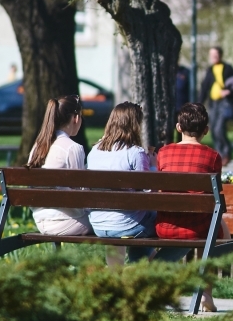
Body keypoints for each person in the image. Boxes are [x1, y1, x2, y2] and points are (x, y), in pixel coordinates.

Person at [155, 102, 233, 311]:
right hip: (198, 229)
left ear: (178, 128)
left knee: (212, 220)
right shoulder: (212, 157)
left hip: (165, 227)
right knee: (213, 224)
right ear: (206, 131)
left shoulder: (164, 153)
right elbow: (214, 198)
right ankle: (207, 294)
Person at [87, 102, 166, 264]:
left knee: (136, 221)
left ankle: (119, 276)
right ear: (134, 125)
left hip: (99, 224)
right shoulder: (135, 153)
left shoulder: (94, 151)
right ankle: (164, 266)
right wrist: (152, 165)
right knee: (168, 220)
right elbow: (149, 193)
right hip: (127, 225)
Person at [26, 95, 92, 236]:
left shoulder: (37, 147)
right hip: (69, 222)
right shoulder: (73, 148)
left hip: (41, 221)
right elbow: (82, 194)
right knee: (109, 222)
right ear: (76, 118)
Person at [199, 46, 233, 165]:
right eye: (212, 55)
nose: (214, 57)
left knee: (219, 128)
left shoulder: (228, 68)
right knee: (213, 129)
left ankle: (226, 153)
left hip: (225, 103)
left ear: (220, 55)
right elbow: (204, 88)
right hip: (213, 103)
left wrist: (228, 91)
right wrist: (199, 104)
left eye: (216, 54)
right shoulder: (210, 70)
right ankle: (219, 155)